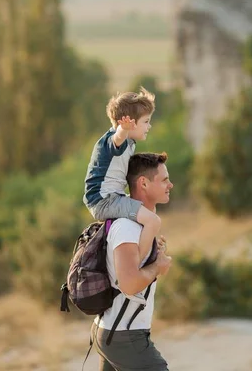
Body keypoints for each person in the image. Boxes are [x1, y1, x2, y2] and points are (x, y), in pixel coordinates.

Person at [91, 152, 174, 371]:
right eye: (164, 179)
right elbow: (128, 284)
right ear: (144, 183)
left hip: (115, 333)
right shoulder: (127, 227)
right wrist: (158, 267)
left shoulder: (138, 226)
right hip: (123, 337)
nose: (171, 185)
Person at [83, 87, 162, 266]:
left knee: (150, 208)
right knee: (153, 221)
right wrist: (122, 130)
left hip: (112, 198)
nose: (149, 126)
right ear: (129, 123)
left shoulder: (130, 142)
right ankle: (137, 263)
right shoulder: (115, 139)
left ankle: (143, 245)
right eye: (146, 121)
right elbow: (116, 141)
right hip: (104, 201)